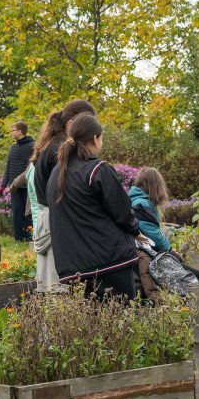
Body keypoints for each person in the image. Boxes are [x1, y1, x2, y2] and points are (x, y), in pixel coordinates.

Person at [46, 114, 154, 300]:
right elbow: (122, 212)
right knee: (119, 318)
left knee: (89, 324)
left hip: (72, 266)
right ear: (96, 138)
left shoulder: (57, 173)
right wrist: (136, 231)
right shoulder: (97, 169)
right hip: (108, 261)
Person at [30, 101, 97, 292]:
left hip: (47, 218)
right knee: (60, 286)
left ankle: (52, 322)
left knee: (48, 284)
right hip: (58, 221)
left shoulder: (50, 145)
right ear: (72, 123)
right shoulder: (61, 151)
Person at [1, 121, 34, 241]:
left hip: (28, 186)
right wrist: (3, 185)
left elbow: (32, 167)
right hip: (14, 187)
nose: (12, 132)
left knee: (28, 213)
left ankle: (30, 236)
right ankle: (19, 238)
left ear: (20, 131)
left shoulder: (33, 146)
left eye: (13, 130)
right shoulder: (13, 148)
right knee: (16, 212)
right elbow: (8, 167)